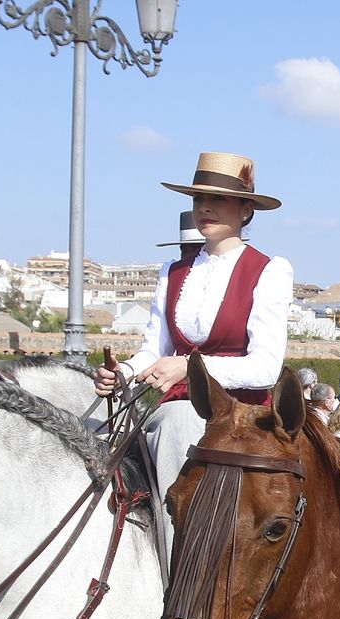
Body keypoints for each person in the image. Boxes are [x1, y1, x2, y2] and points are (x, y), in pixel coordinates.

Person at [93, 153, 293, 559]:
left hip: (238, 413)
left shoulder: (270, 270)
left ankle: (182, 562)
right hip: (174, 404)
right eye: (199, 198)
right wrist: (124, 373)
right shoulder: (172, 271)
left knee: (178, 421)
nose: (205, 207)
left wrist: (188, 367)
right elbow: (154, 350)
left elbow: (265, 367)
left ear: (246, 210)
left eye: (218, 199)